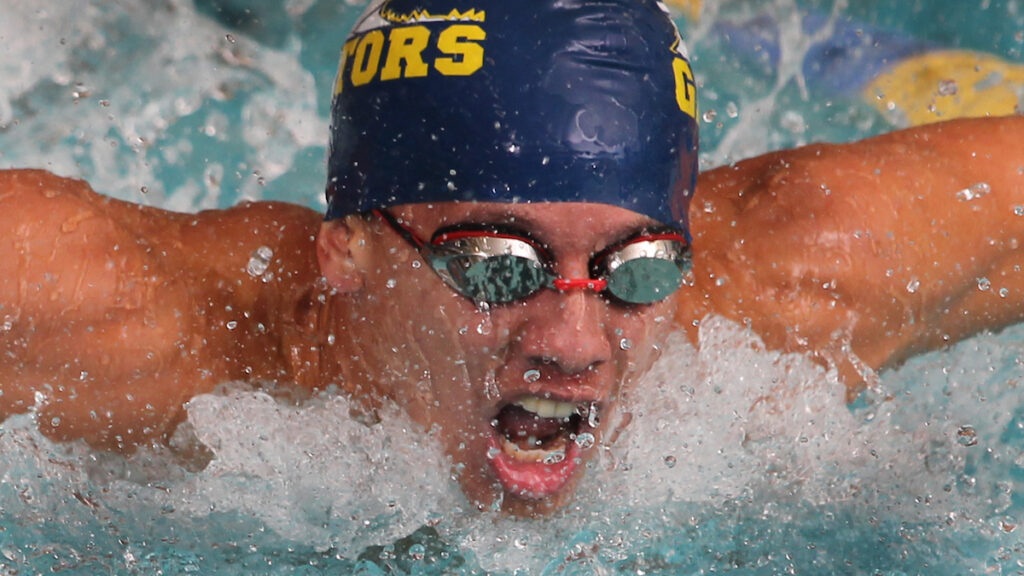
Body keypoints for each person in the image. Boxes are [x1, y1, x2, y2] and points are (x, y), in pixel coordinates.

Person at [0, 0, 1022, 517]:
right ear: (345, 249)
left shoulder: (806, 275)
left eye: (637, 271)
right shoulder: (123, 325)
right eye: (497, 265)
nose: (575, 343)